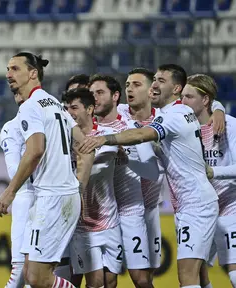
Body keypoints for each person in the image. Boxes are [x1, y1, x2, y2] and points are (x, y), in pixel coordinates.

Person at [80, 64, 219, 288]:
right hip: (189, 204)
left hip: (195, 204)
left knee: (187, 275)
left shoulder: (174, 115)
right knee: (200, 276)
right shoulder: (175, 112)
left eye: (161, 81)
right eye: (154, 79)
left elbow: (143, 133)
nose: (154, 85)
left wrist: (105, 139)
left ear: (176, 89)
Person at [0, 52, 95, 288]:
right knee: (32, 274)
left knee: (37, 278)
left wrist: (9, 192)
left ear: (33, 73)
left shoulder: (30, 106)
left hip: (52, 197)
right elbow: (86, 147)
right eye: (8, 69)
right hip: (58, 195)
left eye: (15, 69)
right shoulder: (55, 104)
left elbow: (35, 150)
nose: (9, 74)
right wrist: (77, 186)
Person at [89, 74, 159, 288]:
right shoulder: (87, 130)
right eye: (91, 94)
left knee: (141, 279)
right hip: (101, 214)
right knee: (105, 280)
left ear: (115, 96)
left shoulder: (132, 128)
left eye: (100, 93)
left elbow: (153, 172)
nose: (95, 98)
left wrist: (126, 160)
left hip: (130, 212)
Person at [64, 88, 123, 288]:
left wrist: (83, 158)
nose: (69, 113)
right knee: (95, 281)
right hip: (82, 226)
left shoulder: (106, 135)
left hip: (110, 220)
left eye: (74, 107)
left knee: (111, 281)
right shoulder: (64, 140)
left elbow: (101, 165)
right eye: (66, 108)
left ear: (89, 109)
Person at [181, 74, 236, 288]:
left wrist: (212, 172)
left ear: (205, 101)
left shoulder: (229, 125)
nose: (182, 102)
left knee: (233, 274)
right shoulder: (184, 127)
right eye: (182, 96)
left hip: (229, 207)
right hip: (199, 210)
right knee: (197, 277)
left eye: (188, 97)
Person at [0, 91, 35, 288]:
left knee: (42, 272)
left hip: (51, 199)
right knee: (21, 271)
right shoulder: (10, 128)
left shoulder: (50, 124)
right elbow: (14, 171)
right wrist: (35, 154)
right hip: (26, 198)